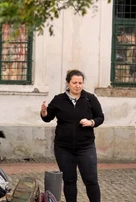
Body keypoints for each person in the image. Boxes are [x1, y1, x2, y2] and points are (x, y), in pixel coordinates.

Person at [40, 69, 104, 202]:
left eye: (80, 83)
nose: (78, 85)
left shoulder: (90, 98)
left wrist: (91, 122)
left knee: (91, 180)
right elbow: (47, 118)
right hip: (63, 148)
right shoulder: (59, 99)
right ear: (68, 83)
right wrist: (44, 113)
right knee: (69, 181)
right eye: (74, 82)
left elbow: (100, 117)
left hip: (86, 147)